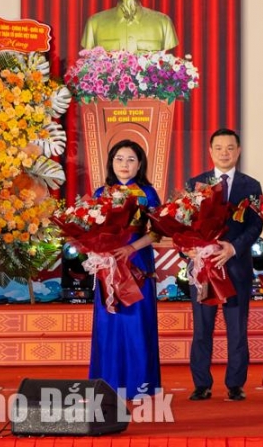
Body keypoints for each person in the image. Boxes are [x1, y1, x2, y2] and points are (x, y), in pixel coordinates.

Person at [187, 128, 263, 402]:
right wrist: (191, 249)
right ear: (210, 151)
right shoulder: (195, 184)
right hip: (204, 268)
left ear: (238, 151)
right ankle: (201, 384)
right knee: (202, 329)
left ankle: (235, 384)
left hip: (236, 267)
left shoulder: (250, 185)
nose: (224, 153)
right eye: (219, 148)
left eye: (230, 148)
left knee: (237, 329)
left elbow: (256, 225)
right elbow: (184, 222)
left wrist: (233, 247)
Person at [88, 140, 162, 399]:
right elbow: (90, 230)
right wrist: (98, 249)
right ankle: (107, 385)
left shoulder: (147, 193)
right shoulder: (101, 193)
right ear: (111, 162)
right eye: (119, 158)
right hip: (108, 266)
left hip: (136, 263)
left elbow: (158, 232)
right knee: (109, 323)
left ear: (139, 164)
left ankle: (138, 386)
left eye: (131, 159)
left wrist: (131, 248)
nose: (124, 164)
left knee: (136, 323)